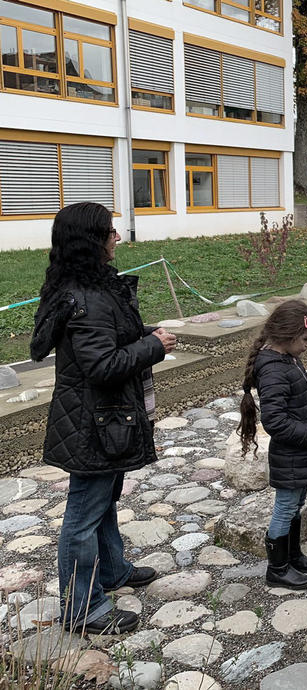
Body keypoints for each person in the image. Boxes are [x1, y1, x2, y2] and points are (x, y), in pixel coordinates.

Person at [30, 202, 176, 635]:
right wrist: (155, 347)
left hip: (103, 420)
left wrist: (143, 334)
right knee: (83, 515)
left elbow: (105, 341)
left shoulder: (87, 288)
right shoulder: (87, 298)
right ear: (91, 241)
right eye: (110, 232)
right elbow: (101, 365)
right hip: (94, 423)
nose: (117, 237)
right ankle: (83, 609)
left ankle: (112, 571)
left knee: (104, 499)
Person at [238, 300, 307, 590]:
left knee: (296, 504)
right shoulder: (274, 369)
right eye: (306, 339)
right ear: (288, 337)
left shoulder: (286, 359)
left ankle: (292, 555)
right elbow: (275, 421)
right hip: (292, 455)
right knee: (285, 507)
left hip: (299, 455)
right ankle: (277, 569)